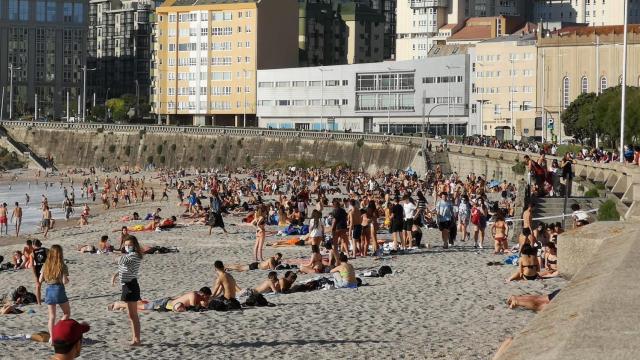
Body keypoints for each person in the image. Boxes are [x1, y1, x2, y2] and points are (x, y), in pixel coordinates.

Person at [111, 235, 143, 346]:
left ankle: (136, 339)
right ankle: (135, 338)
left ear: (134, 245)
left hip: (131, 286)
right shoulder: (129, 255)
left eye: (129, 245)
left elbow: (121, 260)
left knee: (133, 315)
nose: (127, 247)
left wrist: (116, 254)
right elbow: (123, 267)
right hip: (126, 286)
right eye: (125, 245)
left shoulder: (134, 256)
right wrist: (115, 275)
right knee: (131, 315)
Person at [40, 245, 70, 346]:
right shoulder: (62, 265)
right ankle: (57, 329)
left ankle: (52, 338)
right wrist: (66, 278)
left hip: (49, 290)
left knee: (51, 316)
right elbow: (65, 281)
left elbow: (40, 280)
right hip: (59, 289)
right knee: (66, 313)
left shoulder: (46, 265)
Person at [108, 287, 212, 313]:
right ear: (203, 294)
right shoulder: (194, 295)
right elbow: (193, 308)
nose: (207, 299)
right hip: (167, 304)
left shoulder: (197, 295)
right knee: (143, 307)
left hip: (168, 302)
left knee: (146, 304)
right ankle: (119, 304)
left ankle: (124, 305)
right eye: (207, 297)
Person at [330, 199, 348, 266]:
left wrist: (332, 229)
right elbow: (346, 218)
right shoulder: (343, 210)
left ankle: (337, 260)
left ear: (334, 205)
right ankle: (345, 255)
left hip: (337, 228)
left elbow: (335, 220)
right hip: (344, 227)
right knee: (344, 242)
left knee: (335, 245)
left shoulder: (335, 211)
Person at [31, 240, 47, 305]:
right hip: (46, 267)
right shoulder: (46, 250)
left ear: (33, 245)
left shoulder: (32, 253)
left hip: (38, 268)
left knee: (38, 286)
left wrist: (35, 276)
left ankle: (39, 303)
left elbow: (32, 265)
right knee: (51, 284)